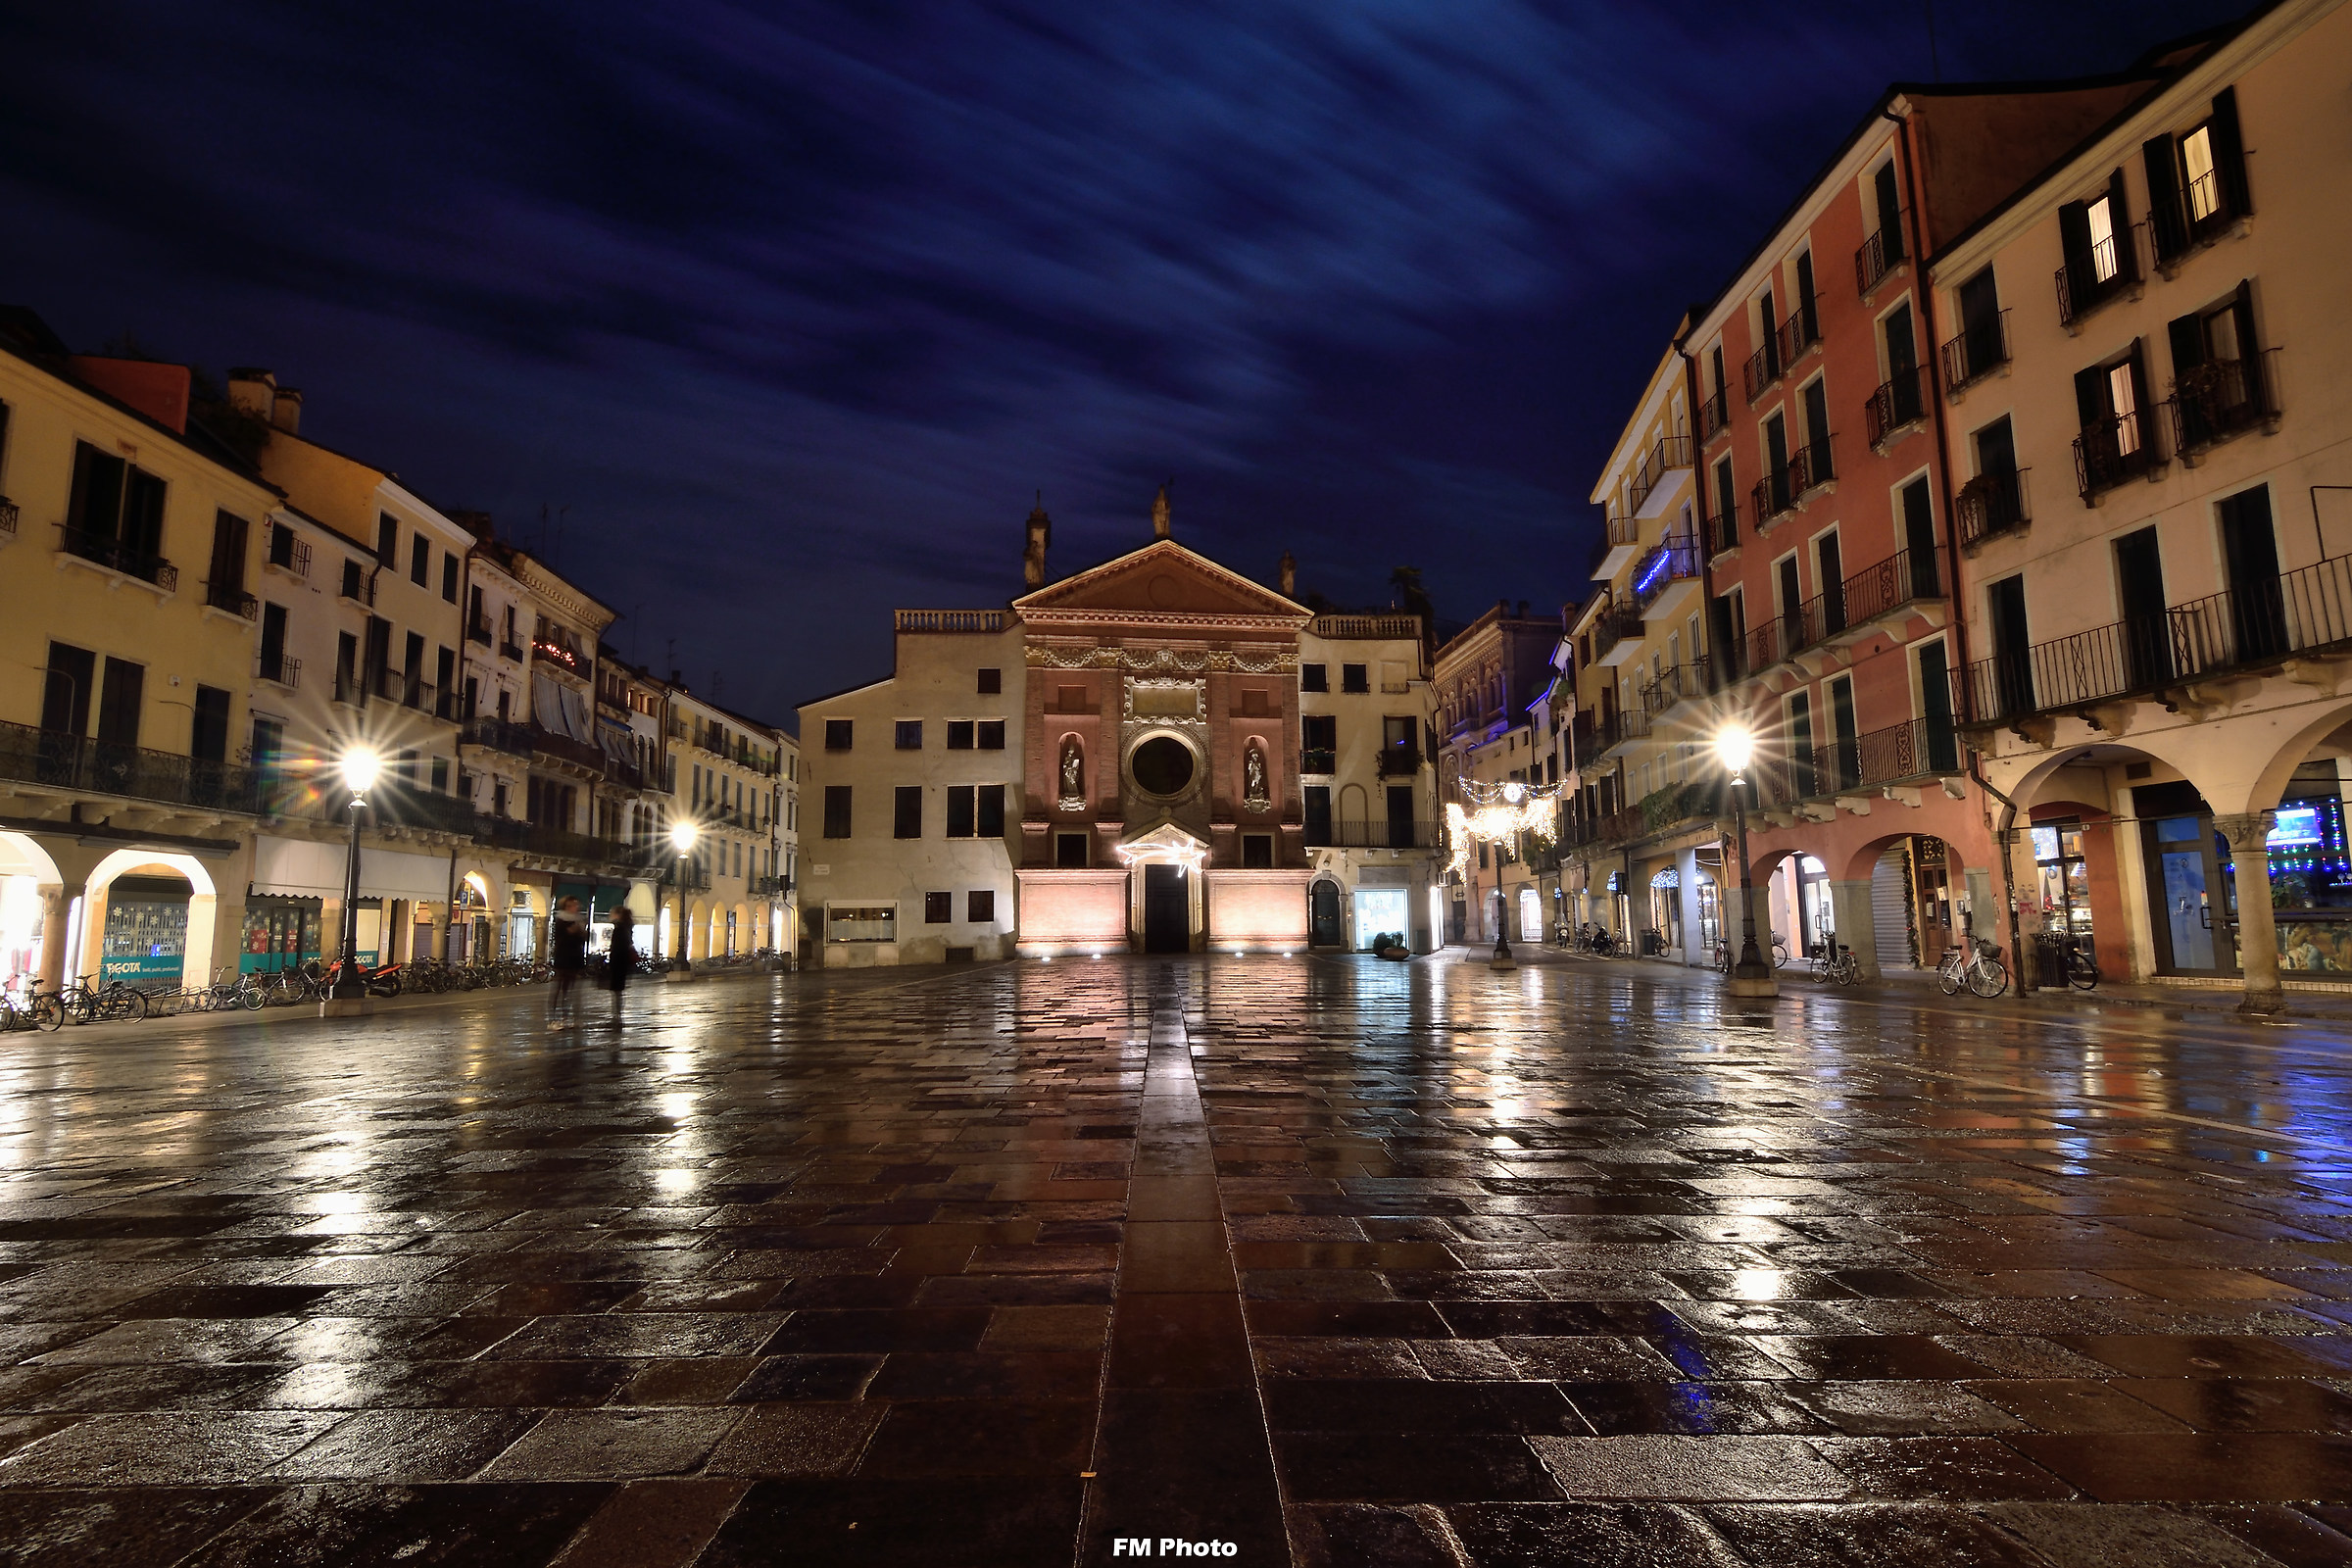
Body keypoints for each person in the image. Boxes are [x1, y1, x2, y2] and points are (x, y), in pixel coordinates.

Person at [548, 896, 588, 1030]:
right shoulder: (561, 920)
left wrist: (581, 932)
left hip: (575, 959)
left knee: (569, 990)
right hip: (563, 958)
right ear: (566, 906)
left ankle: (566, 1018)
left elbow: (582, 940)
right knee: (557, 989)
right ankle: (552, 1020)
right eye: (572, 905)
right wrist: (575, 931)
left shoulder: (578, 920)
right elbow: (561, 939)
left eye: (576, 904)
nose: (576, 907)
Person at [607, 904, 635, 1022]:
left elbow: (618, 946)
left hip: (618, 961)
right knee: (618, 990)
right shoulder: (626, 927)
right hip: (623, 961)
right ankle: (617, 1013)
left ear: (618, 915)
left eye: (612, 913)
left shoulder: (620, 928)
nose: (610, 915)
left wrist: (612, 955)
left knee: (616, 990)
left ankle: (616, 1014)